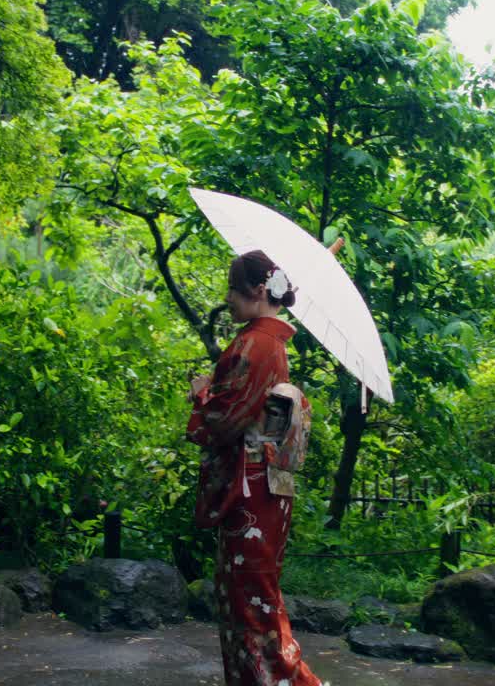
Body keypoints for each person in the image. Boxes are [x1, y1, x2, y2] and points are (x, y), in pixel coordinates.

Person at [186, 250, 324, 686]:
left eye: (233, 287)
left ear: (259, 291)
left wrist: (202, 398)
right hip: (261, 484)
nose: (227, 297)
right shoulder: (266, 341)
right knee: (251, 597)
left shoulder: (257, 344)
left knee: (252, 601)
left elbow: (227, 418)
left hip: (250, 485)